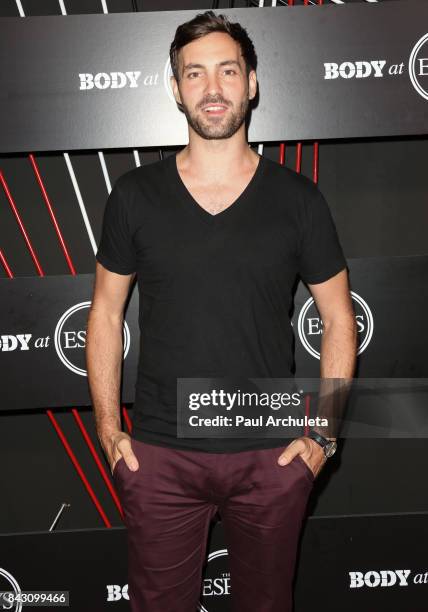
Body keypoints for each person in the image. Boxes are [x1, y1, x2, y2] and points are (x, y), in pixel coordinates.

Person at [86, 10, 357, 612]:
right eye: (195, 73)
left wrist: (324, 432)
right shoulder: (133, 196)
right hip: (160, 454)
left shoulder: (298, 200)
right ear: (176, 88)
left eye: (228, 71)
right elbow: (105, 315)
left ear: (252, 82)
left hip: (270, 453)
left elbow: (339, 318)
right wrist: (109, 433)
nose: (213, 88)